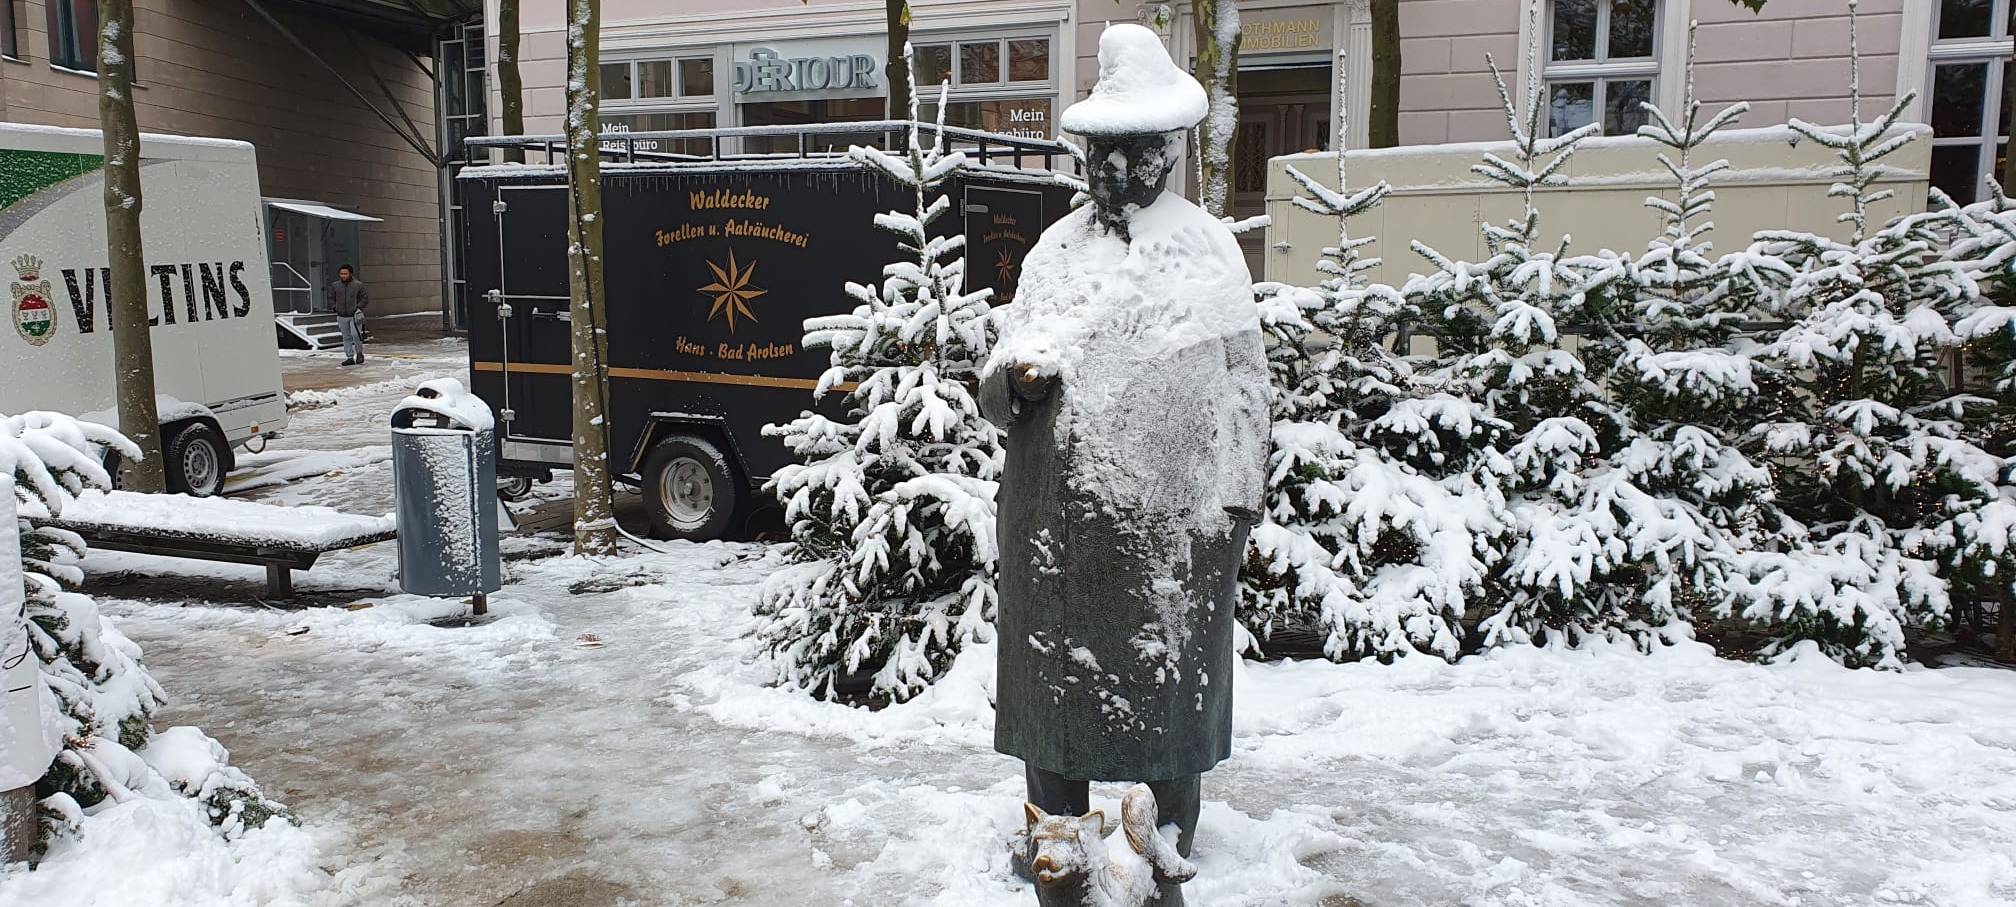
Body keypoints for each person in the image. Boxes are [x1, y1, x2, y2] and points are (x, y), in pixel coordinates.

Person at [979, 22, 1271, 889]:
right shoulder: (1054, 255)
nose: (1114, 172)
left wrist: (1232, 512)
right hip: (1059, 545)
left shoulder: (1205, 251)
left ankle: (1163, 851)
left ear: (1171, 152)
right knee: (1056, 726)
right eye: (1099, 153)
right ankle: (1059, 852)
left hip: (1170, 547)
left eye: (1134, 152)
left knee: (1169, 718)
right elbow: (997, 380)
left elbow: (1247, 393)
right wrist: (1015, 383)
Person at [328, 264, 369, 366]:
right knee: (346, 337)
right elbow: (331, 298)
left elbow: (364, 298)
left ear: (350, 274)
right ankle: (349, 357)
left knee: (356, 335)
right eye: (341, 274)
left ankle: (359, 353)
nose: (343, 276)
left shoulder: (358, 285)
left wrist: (358, 307)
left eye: (345, 274)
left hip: (354, 315)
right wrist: (334, 307)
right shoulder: (335, 285)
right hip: (341, 315)